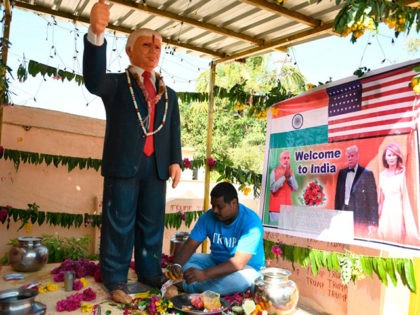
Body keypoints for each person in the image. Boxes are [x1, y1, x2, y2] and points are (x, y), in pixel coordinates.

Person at [83, 0, 182, 302]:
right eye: (147, 45)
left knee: (152, 221)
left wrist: (175, 161)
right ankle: (114, 278)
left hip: (156, 168)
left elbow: (173, 130)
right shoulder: (115, 84)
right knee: (119, 222)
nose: (153, 52)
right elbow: (93, 80)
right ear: (129, 50)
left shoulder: (169, 93)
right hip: (123, 165)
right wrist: (96, 35)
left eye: (158, 48)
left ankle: (150, 271)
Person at [166, 182, 265, 295]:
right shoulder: (208, 217)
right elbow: (190, 245)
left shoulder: (251, 223)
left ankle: (187, 285)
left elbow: (238, 263)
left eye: (219, 206)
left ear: (234, 203)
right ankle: (207, 286)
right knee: (185, 259)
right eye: (213, 206)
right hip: (216, 262)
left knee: (238, 281)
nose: (215, 210)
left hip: (246, 269)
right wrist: (177, 265)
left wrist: (204, 274)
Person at [377, 143, 419, 243]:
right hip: (385, 212)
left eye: (394, 155)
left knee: (397, 240)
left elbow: (406, 199)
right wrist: (379, 216)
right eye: (389, 155)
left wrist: (404, 222)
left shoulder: (402, 173)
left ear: (398, 156)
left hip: (398, 212)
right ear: (385, 158)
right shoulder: (382, 175)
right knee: (384, 240)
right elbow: (381, 199)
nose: (391, 158)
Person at [335, 145, 378, 237]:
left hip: (360, 214)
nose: (350, 158)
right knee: (344, 237)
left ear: (357, 156)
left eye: (352, 156)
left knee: (358, 239)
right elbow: (338, 197)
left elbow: (373, 201)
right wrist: (336, 214)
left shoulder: (367, 174)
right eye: (348, 156)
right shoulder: (342, 173)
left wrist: (373, 222)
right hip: (344, 211)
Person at [268, 150, 298, 223]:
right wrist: (284, 177)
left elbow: (295, 188)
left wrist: (289, 177)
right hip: (276, 210)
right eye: (284, 158)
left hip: (288, 210)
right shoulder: (274, 171)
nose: (286, 160)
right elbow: (272, 189)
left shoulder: (290, 172)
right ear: (280, 160)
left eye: (288, 158)